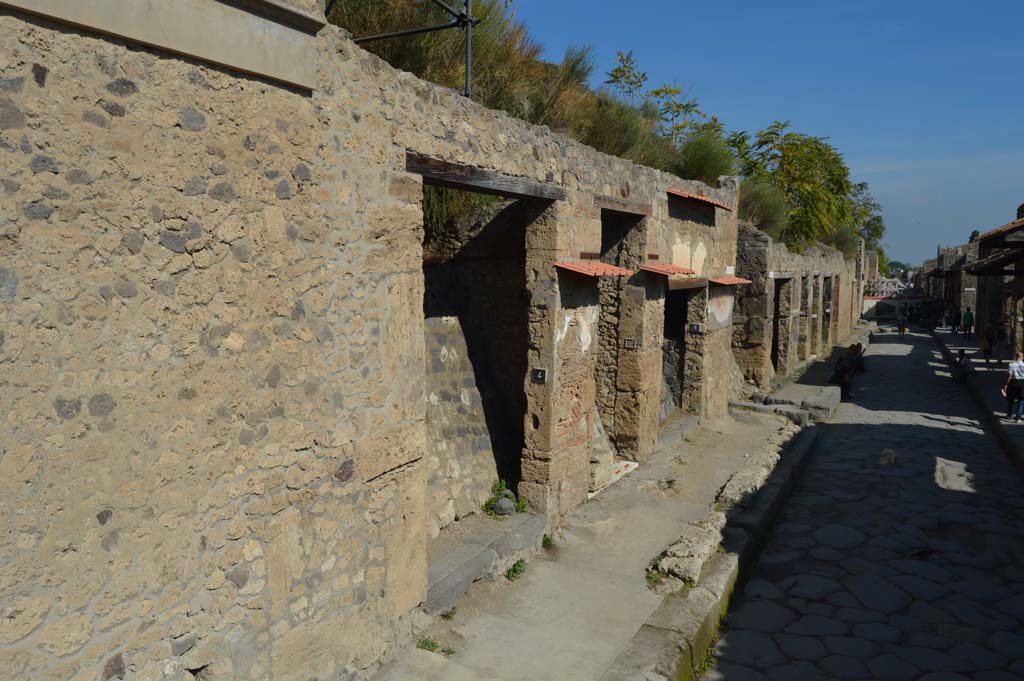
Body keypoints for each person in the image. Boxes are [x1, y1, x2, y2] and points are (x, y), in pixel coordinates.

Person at [1003, 352, 1024, 421]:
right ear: (1022, 357)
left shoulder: (1011, 364)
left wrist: (1006, 385)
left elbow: (1009, 375)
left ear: (1015, 357)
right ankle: (1018, 417)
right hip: (1022, 383)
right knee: (1021, 400)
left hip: (1013, 382)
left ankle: (1010, 415)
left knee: (1011, 399)